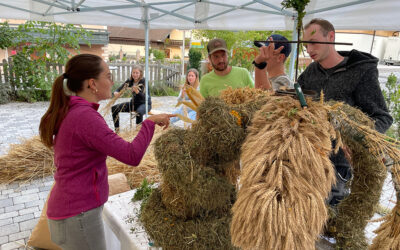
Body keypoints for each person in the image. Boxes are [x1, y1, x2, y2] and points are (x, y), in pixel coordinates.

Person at [38, 54, 174, 250]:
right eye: (108, 76)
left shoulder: (75, 111)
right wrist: (149, 123)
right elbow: (131, 155)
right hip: (78, 215)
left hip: (71, 212)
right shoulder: (85, 117)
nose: (112, 82)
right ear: (92, 84)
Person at [298, 18, 393, 206]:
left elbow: (382, 117)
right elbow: (295, 101)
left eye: (314, 42)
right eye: (306, 44)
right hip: (307, 160)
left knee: (327, 219)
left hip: (337, 166)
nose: (309, 50)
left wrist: (359, 140)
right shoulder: (310, 72)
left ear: (331, 37)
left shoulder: (359, 72)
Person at [111, 65, 151, 132]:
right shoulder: (130, 81)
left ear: (140, 74)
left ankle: (138, 132)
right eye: (133, 72)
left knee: (139, 113)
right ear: (131, 73)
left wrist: (138, 92)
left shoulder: (144, 82)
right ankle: (117, 131)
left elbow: (145, 98)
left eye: (137, 73)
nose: (135, 75)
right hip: (134, 103)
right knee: (114, 109)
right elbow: (121, 87)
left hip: (145, 104)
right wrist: (116, 92)